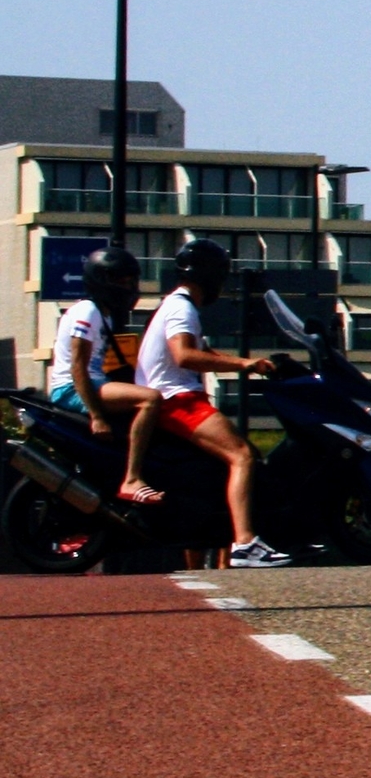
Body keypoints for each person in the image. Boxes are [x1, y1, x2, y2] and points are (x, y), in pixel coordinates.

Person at [136, 238, 292, 568]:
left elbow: (204, 353)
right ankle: (245, 543)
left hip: (172, 396)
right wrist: (241, 365)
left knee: (226, 461)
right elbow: (184, 355)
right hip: (176, 399)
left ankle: (226, 531)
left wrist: (250, 362)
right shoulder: (182, 307)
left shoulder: (175, 304)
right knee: (243, 454)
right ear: (209, 276)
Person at [48, 247, 168, 504]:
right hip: (72, 388)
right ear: (100, 281)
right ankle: (132, 478)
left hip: (93, 383)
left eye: (130, 281)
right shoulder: (87, 311)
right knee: (150, 399)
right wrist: (97, 416)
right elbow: (78, 366)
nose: (127, 287)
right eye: (120, 281)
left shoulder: (104, 316)